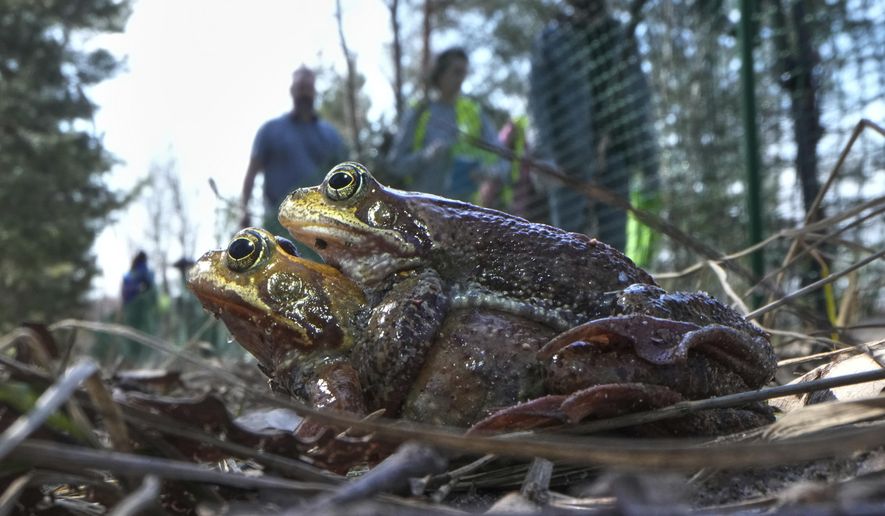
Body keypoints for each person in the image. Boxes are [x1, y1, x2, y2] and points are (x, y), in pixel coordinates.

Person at [529, 0, 660, 266]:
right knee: (567, 243)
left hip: (616, 150)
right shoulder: (552, 38)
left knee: (615, 247)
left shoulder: (621, 35)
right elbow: (539, 102)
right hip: (568, 157)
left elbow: (638, 97)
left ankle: (614, 302)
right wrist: (543, 155)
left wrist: (648, 162)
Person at [239, 65, 348, 255]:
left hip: (324, 230)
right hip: (280, 226)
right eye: (299, 87)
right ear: (292, 91)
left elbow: (345, 180)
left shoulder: (331, 136)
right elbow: (251, 172)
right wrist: (244, 211)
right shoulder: (270, 131)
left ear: (314, 91)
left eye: (307, 87)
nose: (304, 92)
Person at [389, 47, 506, 202]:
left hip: (465, 212)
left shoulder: (472, 111)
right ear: (440, 73)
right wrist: (426, 155)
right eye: (456, 72)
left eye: (464, 73)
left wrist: (490, 172)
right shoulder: (419, 112)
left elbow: (502, 158)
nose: (461, 79)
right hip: (423, 208)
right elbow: (396, 165)